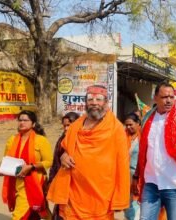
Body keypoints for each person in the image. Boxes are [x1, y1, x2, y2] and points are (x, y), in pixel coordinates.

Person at [47, 85, 130, 220]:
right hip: (75, 192)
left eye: (99, 99)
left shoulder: (116, 129)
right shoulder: (75, 126)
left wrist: (120, 197)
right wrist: (63, 156)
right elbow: (62, 149)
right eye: (90, 99)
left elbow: (122, 164)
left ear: (106, 102)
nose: (94, 103)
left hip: (102, 193)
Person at [131, 82, 176, 220]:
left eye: (171, 97)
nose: (169, 100)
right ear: (155, 98)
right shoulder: (147, 120)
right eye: (164, 97)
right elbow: (143, 152)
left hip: (173, 184)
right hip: (151, 182)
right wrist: (136, 176)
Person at [0, 110, 53, 220]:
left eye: (26, 120)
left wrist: (31, 167)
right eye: (20, 120)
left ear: (33, 124)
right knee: (41, 209)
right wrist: (0, 168)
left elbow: (48, 161)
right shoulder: (12, 140)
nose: (22, 122)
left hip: (35, 180)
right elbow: (6, 160)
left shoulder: (41, 140)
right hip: (16, 181)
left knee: (19, 215)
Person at [48, 111, 80, 219]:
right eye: (64, 125)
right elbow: (55, 163)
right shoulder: (61, 140)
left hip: (77, 186)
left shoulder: (83, 141)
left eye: (69, 125)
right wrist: (51, 180)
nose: (66, 128)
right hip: (61, 182)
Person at [123, 113, 141, 220]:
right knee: (127, 203)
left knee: (136, 202)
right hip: (124, 175)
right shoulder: (122, 136)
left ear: (138, 123)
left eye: (131, 124)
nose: (128, 127)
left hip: (138, 176)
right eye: (126, 125)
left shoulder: (144, 137)